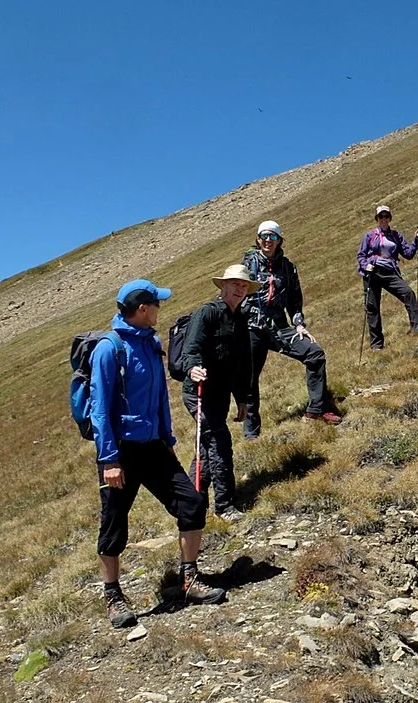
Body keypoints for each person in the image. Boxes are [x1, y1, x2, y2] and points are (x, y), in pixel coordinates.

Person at [92, 280, 228, 629]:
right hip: (120, 452)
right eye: (156, 304)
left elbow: (158, 396)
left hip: (154, 446)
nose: (159, 309)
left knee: (192, 503)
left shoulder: (151, 343)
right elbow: (99, 409)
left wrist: (166, 436)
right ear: (142, 309)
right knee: (113, 525)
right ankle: (112, 595)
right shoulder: (110, 349)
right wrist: (108, 460)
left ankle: (189, 579)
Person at [241, 221, 341, 435]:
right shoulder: (247, 264)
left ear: (280, 240)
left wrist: (298, 324)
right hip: (251, 326)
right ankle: (252, 433)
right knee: (249, 379)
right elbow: (234, 294)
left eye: (273, 237)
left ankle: (317, 409)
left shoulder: (287, 267)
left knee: (315, 353)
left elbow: (295, 299)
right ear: (258, 239)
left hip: (279, 327)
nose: (268, 240)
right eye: (264, 236)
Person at [176, 264, 256, 522]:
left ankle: (191, 504)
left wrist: (242, 399)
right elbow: (191, 349)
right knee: (220, 444)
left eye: (244, 286)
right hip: (198, 391)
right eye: (235, 284)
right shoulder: (207, 313)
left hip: (220, 395)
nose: (240, 289)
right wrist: (193, 368)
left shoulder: (241, 319)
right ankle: (224, 506)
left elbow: (244, 363)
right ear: (222, 286)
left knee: (207, 447)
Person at [356, 205, 418, 350]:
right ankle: (377, 345)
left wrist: (416, 240)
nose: (383, 219)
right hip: (373, 272)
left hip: (389, 271)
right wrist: (365, 266)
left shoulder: (396, 235)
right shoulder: (370, 235)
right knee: (372, 308)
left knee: (408, 293)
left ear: (390, 218)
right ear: (377, 219)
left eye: (386, 216)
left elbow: (408, 254)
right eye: (381, 216)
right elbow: (361, 255)